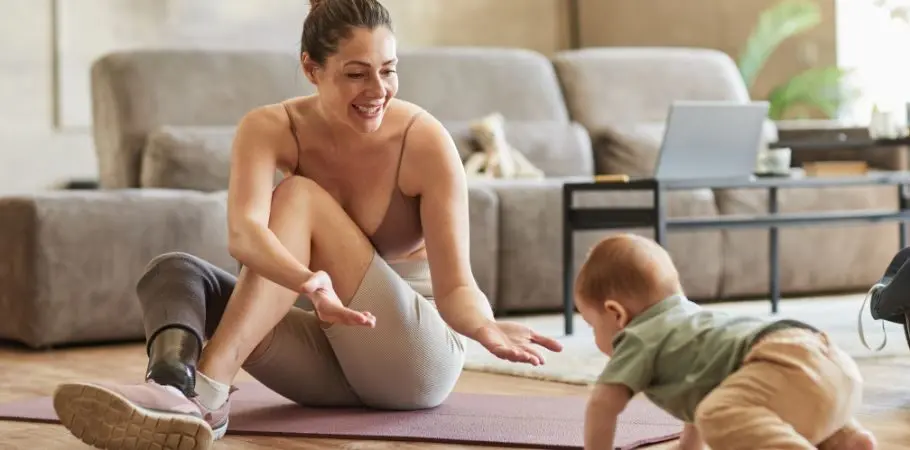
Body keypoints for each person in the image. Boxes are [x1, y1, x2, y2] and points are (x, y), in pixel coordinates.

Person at [51, 0, 563, 448]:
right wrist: (308, 282)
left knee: (297, 194)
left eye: (389, 70)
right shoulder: (269, 127)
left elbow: (456, 287)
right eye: (356, 73)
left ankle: (206, 392)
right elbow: (243, 235)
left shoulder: (423, 142)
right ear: (311, 69)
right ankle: (171, 389)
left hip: (412, 360)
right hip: (332, 353)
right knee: (176, 274)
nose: (377, 89)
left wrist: (485, 327)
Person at [574, 233, 876, 450]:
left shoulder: (637, 336)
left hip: (780, 360)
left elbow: (602, 405)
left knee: (717, 414)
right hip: (831, 364)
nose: (594, 335)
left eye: (591, 324)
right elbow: (698, 398)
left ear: (616, 314)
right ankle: (849, 442)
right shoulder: (690, 323)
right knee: (729, 409)